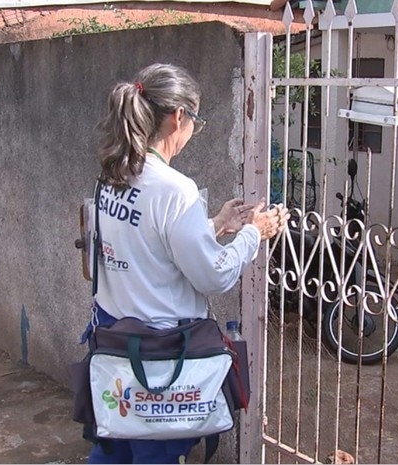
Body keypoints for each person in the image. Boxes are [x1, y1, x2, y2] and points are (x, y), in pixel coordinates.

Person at [82, 63, 289, 464]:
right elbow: (214, 276)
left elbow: (150, 247)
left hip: (115, 342)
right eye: (197, 120)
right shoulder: (176, 189)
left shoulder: (114, 173)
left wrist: (215, 225)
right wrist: (253, 234)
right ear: (179, 116)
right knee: (152, 454)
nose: (195, 130)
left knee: (114, 448)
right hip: (158, 360)